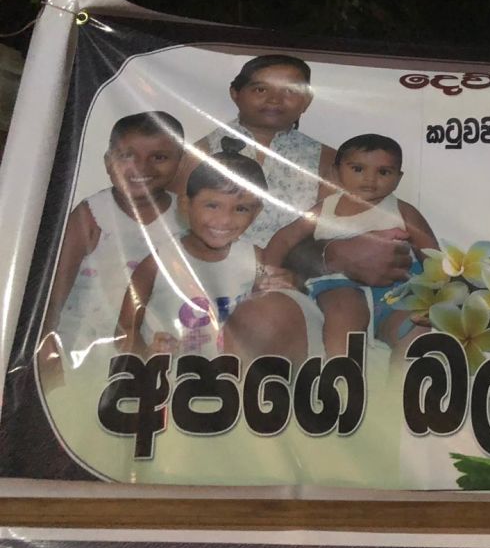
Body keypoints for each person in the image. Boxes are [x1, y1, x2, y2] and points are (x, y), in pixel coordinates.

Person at [176, 54, 413, 361]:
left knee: (270, 315)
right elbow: (178, 230)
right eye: (261, 89)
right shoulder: (198, 154)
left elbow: (332, 235)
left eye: (290, 90)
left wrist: (294, 273)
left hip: (291, 286)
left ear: (307, 100)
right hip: (206, 282)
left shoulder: (330, 162)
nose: (275, 99)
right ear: (236, 93)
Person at [37, 111, 186, 385]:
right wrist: (45, 339)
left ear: (180, 162)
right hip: (82, 345)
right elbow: (56, 285)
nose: (142, 167)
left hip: (157, 347)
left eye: (159, 157)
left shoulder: (187, 214)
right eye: (127, 156)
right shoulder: (91, 214)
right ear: (108, 162)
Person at [263, 134, 438, 356]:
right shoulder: (323, 209)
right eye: (358, 169)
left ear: (398, 177)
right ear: (336, 172)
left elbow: (432, 255)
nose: (370, 179)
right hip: (338, 287)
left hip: (397, 289)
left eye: (384, 172)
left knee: (414, 331)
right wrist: (269, 272)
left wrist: (439, 293)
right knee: (343, 317)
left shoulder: (404, 212)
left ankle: (401, 385)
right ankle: (343, 379)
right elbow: (285, 238)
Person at [118, 138, 268, 357]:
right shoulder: (158, 262)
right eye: (212, 205)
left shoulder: (255, 260)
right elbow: (125, 329)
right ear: (185, 205)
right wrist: (145, 355)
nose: (224, 220)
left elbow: (268, 321)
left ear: (256, 213)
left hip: (228, 380)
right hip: (166, 381)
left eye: (241, 209)